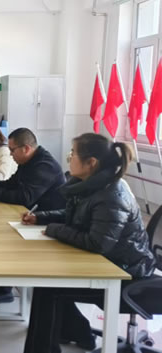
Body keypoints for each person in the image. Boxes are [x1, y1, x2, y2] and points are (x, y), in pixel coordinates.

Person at [22, 133, 156, 353]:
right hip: (110, 261)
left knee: (49, 287)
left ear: (91, 162)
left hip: (126, 272)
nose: (69, 158)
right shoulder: (91, 185)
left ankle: (57, 342)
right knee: (47, 279)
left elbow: (97, 243)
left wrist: (54, 229)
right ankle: (77, 332)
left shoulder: (112, 194)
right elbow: (77, 216)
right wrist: (41, 217)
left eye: (73, 153)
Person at [0, 127, 66, 305]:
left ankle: (4, 289)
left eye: (12, 150)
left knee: (2, 237)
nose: (10, 154)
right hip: (33, 215)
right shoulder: (28, 162)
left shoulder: (45, 165)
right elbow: (11, 184)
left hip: (48, 221)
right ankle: (1, 283)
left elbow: (25, 197)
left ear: (26, 149)